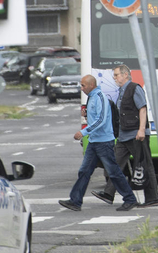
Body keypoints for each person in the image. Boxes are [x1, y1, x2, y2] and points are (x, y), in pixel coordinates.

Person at [59, 75, 138, 212]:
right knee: (84, 171)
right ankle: (75, 201)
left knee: (113, 172)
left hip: (103, 142)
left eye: (83, 85)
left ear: (91, 85)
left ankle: (130, 199)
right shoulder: (91, 97)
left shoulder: (100, 96)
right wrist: (86, 114)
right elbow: (95, 117)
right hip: (94, 141)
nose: (81, 88)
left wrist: (83, 132)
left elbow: (101, 120)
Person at [98, 65, 158, 207]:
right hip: (123, 135)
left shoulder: (134, 88)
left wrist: (141, 130)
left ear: (125, 74)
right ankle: (108, 193)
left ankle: (152, 198)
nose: (114, 78)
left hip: (136, 135)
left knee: (145, 166)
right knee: (115, 164)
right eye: (114, 75)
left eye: (116, 75)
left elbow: (142, 109)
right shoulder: (121, 91)